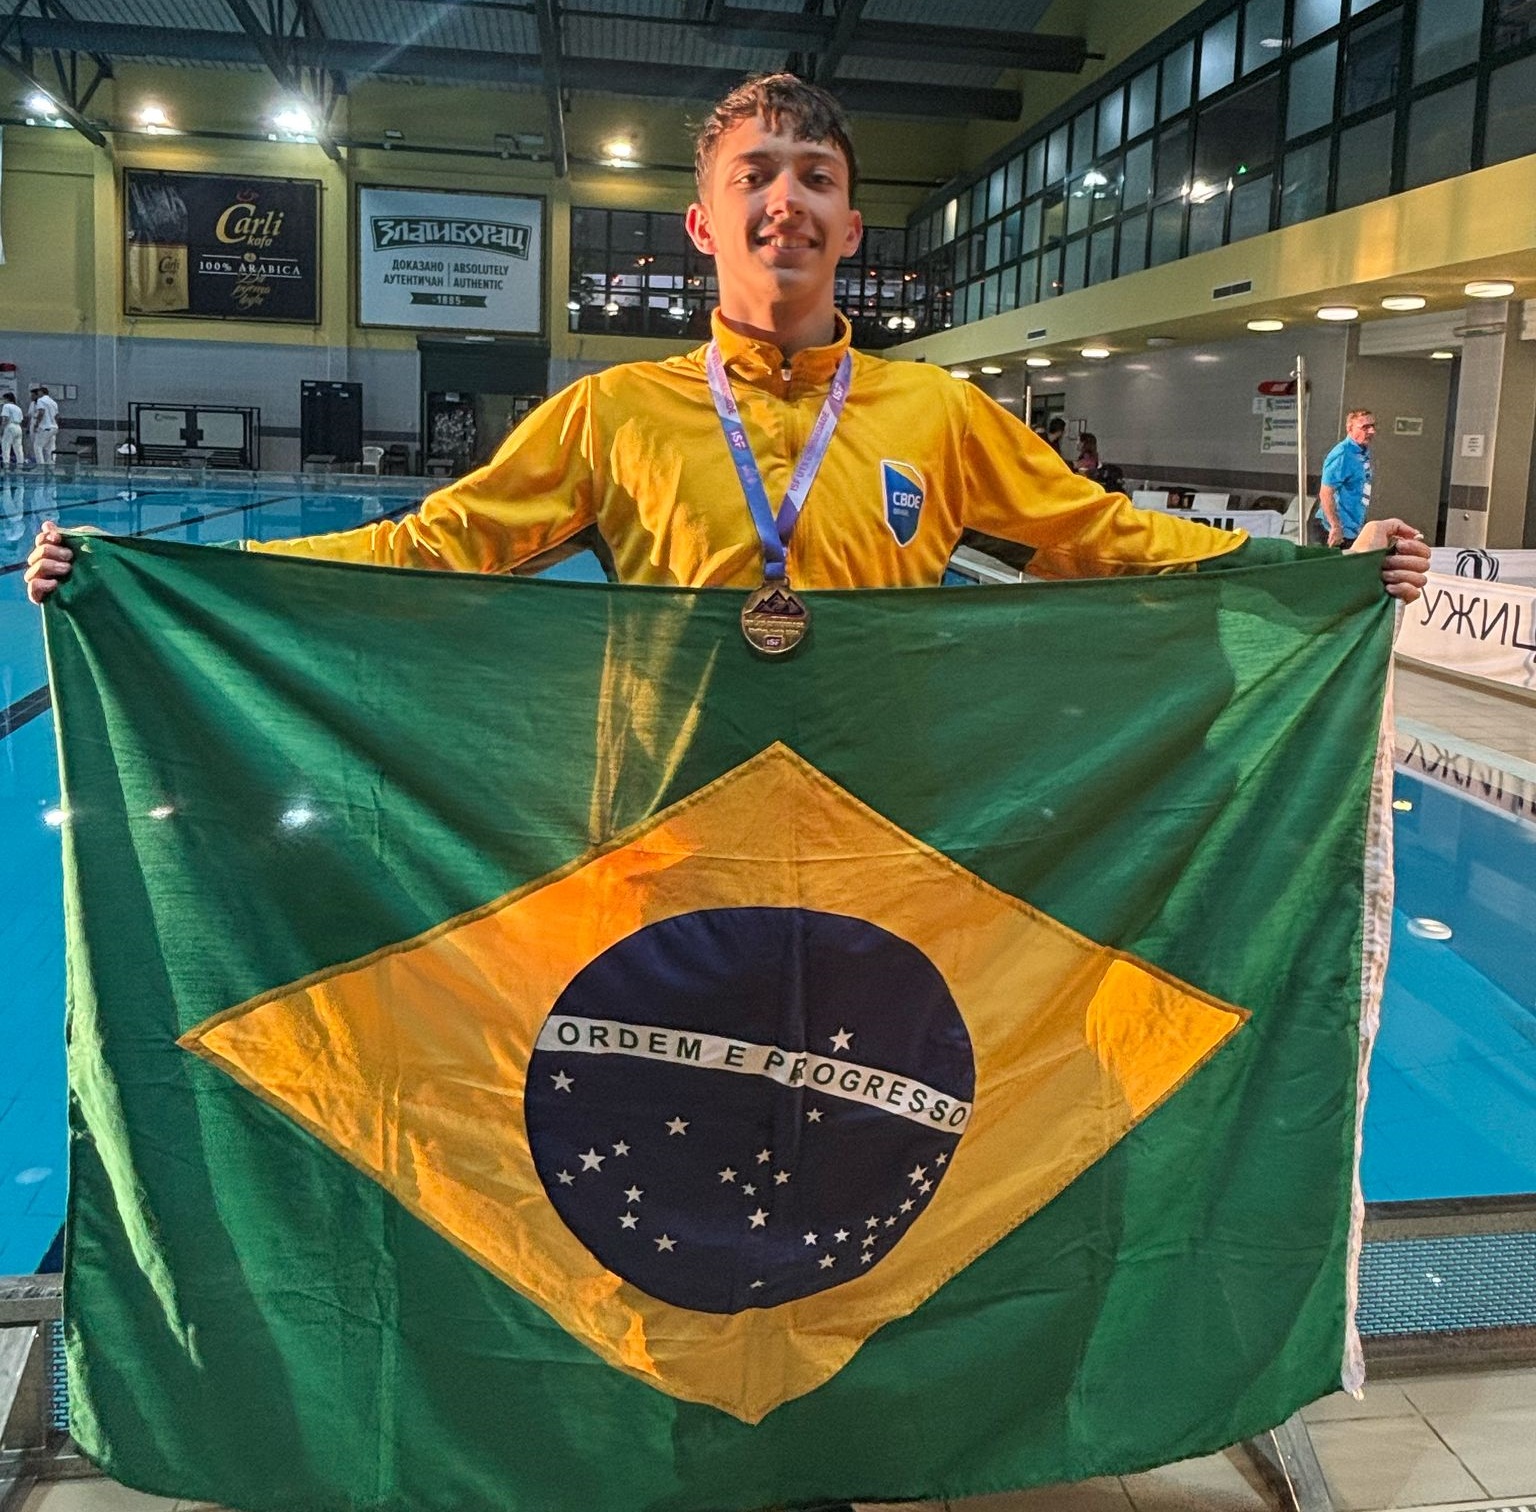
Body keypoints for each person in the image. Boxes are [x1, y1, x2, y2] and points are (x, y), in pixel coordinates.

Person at [26, 74, 1429, 605]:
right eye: (755, 175)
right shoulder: (612, 416)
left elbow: (1108, 540)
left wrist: (1325, 570)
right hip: (661, 858)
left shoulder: (940, 417)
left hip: (881, 841)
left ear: (851, 227)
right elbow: (432, 550)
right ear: (702, 224)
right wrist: (161, 574)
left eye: (816, 177)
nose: (786, 200)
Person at [1318, 408, 1376, 548]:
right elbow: (1325, 493)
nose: (1371, 431)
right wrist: (1335, 526)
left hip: (1353, 528)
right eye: (1365, 427)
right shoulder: (1342, 454)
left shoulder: (1362, 452)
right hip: (1334, 530)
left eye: (1373, 426)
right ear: (1350, 429)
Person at [29, 385, 60, 469]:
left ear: (42, 392)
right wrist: (55, 425)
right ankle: (51, 467)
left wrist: (36, 425)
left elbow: (41, 412)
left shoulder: (41, 400)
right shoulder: (53, 402)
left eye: (39, 392)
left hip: (45, 427)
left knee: (37, 446)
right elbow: (57, 416)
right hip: (54, 427)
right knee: (50, 448)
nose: (38, 394)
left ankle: (41, 467)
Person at [1, 392, 23, 470]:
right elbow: (21, 419)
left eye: (3, 399)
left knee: (6, 447)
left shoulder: (6, 406)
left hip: (10, 426)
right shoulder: (18, 408)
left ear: (7, 399)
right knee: (18, 449)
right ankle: (20, 467)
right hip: (18, 427)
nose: (2, 401)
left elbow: (6, 418)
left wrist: (2, 429)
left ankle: (6, 467)